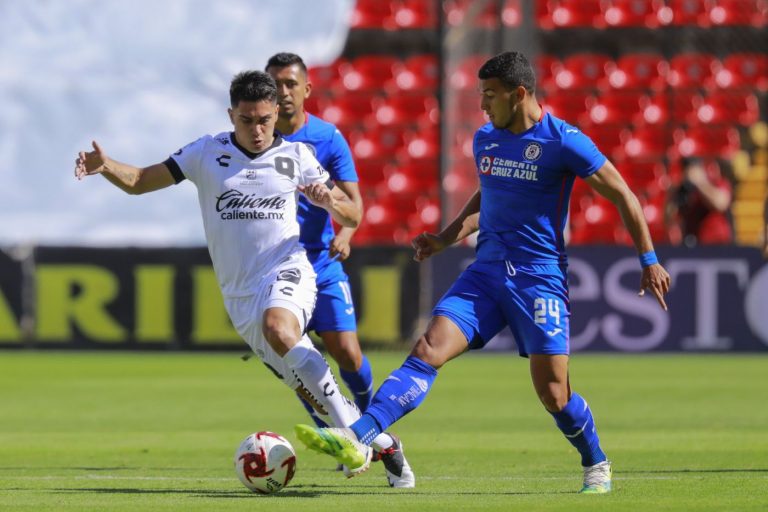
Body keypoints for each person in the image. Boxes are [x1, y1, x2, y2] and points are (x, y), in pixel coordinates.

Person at [294, 52, 672, 494]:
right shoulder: (486, 139)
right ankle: (357, 436)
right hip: (486, 274)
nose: (483, 104)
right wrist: (445, 238)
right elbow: (487, 197)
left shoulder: (564, 141)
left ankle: (596, 462)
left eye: (490, 95)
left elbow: (624, 194)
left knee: (554, 394)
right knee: (428, 349)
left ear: (519, 94)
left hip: (538, 278)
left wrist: (648, 259)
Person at [74, 70, 413, 487]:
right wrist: (106, 165)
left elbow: (353, 214)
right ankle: (386, 444)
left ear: (275, 115)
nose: (256, 130)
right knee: (308, 389)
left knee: (280, 328)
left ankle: (355, 440)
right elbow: (141, 182)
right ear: (230, 115)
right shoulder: (205, 152)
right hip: (239, 297)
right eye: (246, 120)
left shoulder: (297, 156)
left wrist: (329, 201)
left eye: (264, 121)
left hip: (287, 269)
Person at [264, 52, 373, 421]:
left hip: (320, 262)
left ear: (307, 89)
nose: (283, 91)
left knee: (348, 354)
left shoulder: (327, 138)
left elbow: (354, 204)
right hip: (275, 267)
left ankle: (371, 417)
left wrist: (346, 233)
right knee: (295, 359)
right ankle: (333, 432)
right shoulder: (255, 141)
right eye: (275, 84)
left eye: (290, 84)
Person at [666, 157, 733, 246]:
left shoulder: (717, 183)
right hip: (693, 244)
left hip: (718, 244)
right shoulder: (684, 190)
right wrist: (673, 193)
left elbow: (720, 204)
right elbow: (668, 219)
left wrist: (700, 183)